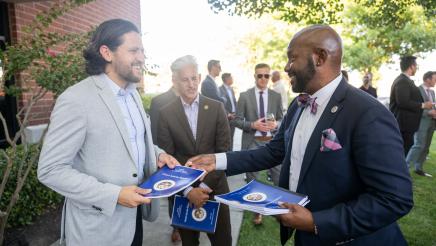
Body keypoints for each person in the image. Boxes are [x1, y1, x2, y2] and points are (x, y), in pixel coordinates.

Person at [187, 25, 413, 246]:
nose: (286, 67)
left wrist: (317, 222)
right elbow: (274, 151)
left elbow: (394, 199)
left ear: (320, 57)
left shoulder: (368, 114)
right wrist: (216, 160)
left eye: (292, 58)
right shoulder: (299, 105)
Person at [37, 19, 179, 246]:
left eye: (142, 50)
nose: (142, 58)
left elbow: (130, 141)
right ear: (106, 53)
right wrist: (114, 195)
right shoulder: (76, 100)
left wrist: (158, 154)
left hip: (134, 221)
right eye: (133, 50)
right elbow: (50, 170)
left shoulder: (132, 94)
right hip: (98, 231)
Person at [157, 55, 232, 246]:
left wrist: (204, 189)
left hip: (215, 190)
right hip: (183, 194)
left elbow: (224, 152)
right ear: (174, 81)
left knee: (222, 242)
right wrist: (189, 191)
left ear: (199, 78)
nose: (191, 84)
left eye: (194, 78)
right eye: (184, 79)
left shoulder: (216, 108)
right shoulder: (165, 113)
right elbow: (167, 158)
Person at [234, 63, 283, 225]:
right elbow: (237, 120)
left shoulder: (276, 96)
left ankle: (278, 208)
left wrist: (276, 124)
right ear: (254, 77)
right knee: (252, 180)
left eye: (266, 76)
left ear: (269, 77)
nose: (263, 79)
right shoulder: (244, 95)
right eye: (259, 75)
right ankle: (257, 212)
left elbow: (282, 119)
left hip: (273, 143)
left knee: (278, 177)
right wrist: (252, 125)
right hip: (252, 143)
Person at [149, 87, 181, 242]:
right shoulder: (158, 101)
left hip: (193, 156)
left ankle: (192, 223)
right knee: (173, 194)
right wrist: (158, 155)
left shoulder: (197, 98)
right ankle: (175, 226)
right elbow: (153, 132)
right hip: (168, 156)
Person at [390, 55, 433, 155]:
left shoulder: (405, 80)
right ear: (412, 67)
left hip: (407, 125)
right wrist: (423, 105)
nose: (416, 68)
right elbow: (403, 102)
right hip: (404, 125)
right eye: (416, 66)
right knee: (402, 151)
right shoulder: (402, 81)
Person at [406, 71, 436, 177]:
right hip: (421, 122)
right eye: (434, 79)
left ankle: (419, 168)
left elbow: (433, 106)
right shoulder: (417, 90)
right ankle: (405, 168)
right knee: (419, 145)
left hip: (432, 123)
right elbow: (415, 107)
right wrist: (428, 112)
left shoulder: (432, 92)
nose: (435, 81)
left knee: (426, 147)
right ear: (428, 79)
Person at [219, 72, 238, 147]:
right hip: (226, 116)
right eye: (231, 78)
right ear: (227, 79)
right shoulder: (219, 90)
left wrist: (236, 112)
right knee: (226, 137)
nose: (232, 79)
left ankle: (231, 153)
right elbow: (220, 104)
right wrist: (227, 114)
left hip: (233, 115)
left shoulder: (231, 89)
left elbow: (234, 102)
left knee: (232, 137)